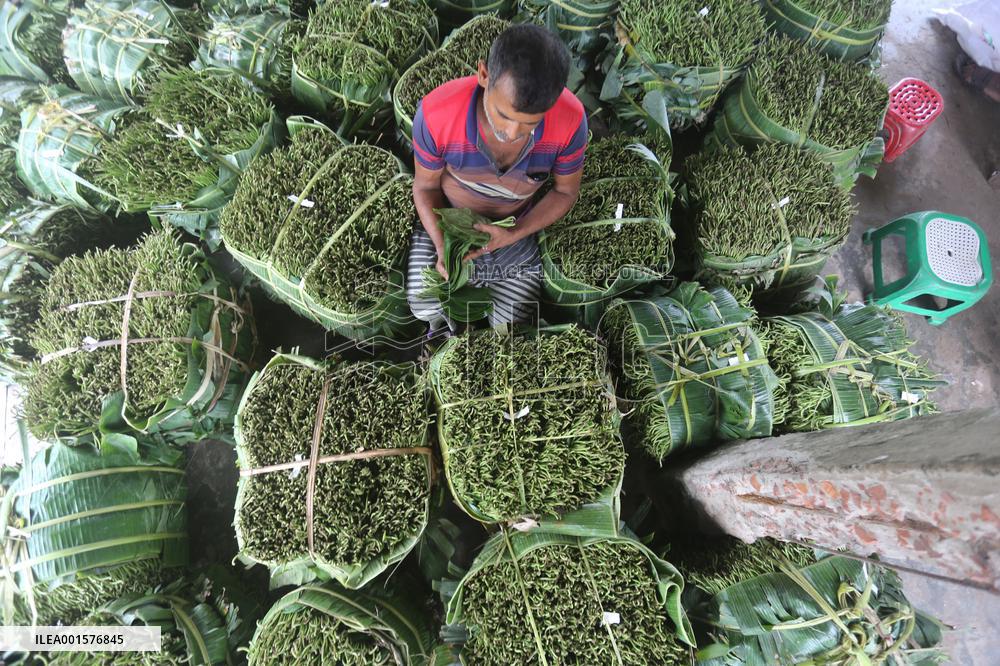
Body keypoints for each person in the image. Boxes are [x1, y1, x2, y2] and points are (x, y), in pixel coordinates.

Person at [406, 24, 587, 333]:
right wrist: (442, 247)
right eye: (504, 115)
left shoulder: (570, 121)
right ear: (484, 75)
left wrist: (513, 233)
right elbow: (425, 186)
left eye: (529, 123)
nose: (511, 133)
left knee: (510, 322)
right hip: (450, 222)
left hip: (512, 228)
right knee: (423, 306)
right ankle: (438, 331)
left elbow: (565, 192)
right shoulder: (437, 114)